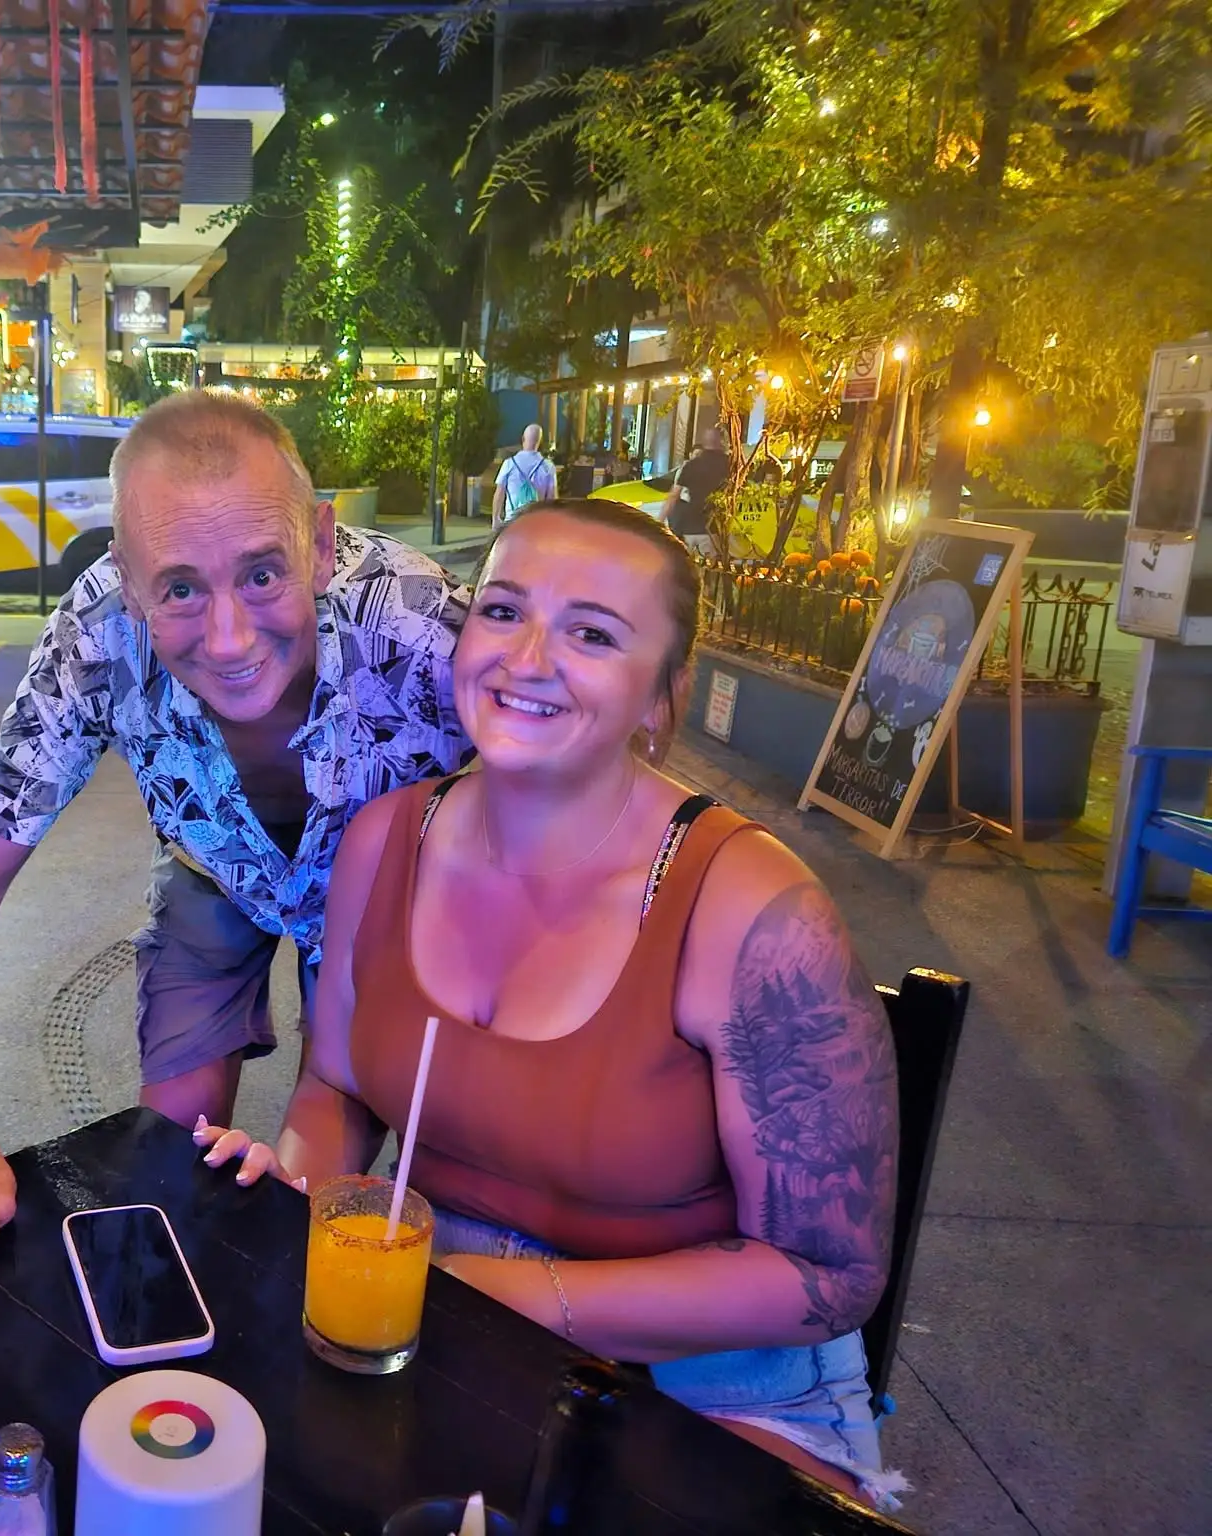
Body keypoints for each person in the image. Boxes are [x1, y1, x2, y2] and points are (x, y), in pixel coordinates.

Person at [198, 498, 907, 1513]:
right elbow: (334, 1084)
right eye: (501, 611)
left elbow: (825, 1272)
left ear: (664, 698)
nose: (525, 658)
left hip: (710, 1377)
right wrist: (301, 1201)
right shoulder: (383, 842)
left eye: (590, 633)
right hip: (436, 1306)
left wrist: (511, 1301)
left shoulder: (750, 910)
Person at [0, 389, 470, 1247]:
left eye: (262, 574)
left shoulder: (424, 625)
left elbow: (572, 780)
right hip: (210, 867)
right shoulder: (95, 634)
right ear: (129, 577)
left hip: (379, 901)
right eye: (179, 588)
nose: (226, 639)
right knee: (167, 1164)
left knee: (314, 1191)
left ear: (321, 545)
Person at [669, 427, 731, 556]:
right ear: (721, 442)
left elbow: (673, 496)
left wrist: (660, 523)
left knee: (691, 569)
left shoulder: (690, 466)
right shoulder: (728, 464)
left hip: (689, 528)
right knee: (707, 570)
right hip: (710, 530)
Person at [491, 423, 557, 524]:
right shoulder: (548, 467)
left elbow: (499, 493)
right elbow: (552, 499)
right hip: (536, 523)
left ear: (523, 439)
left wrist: (496, 519)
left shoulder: (509, 463)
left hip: (512, 522)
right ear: (539, 442)